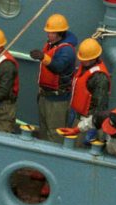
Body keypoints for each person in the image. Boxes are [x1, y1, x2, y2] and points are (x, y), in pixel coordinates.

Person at [29, 13, 77, 143]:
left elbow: (58, 67)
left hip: (58, 100)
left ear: (59, 33)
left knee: (55, 134)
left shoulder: (67, 51)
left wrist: (43, 57)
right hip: (45, 96)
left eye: (51, 32)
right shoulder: (51, 45)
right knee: (44, 130)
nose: (48, 35)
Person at [57, 38, 110, 146]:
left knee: (79, 149)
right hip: (75, 116)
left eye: (85, 59)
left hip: (87, 123)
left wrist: (84, 126)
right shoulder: (84, 68)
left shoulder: (100, 78)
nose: (82, 61)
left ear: (94, 58)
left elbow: (99, 109)